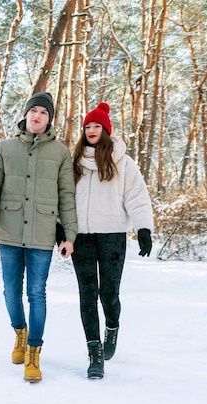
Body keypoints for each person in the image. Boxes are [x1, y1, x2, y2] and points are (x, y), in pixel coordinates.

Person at [0, 92, 77, 383]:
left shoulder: (60, 153)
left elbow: (67, 196)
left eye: (44, 113)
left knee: (37, 294)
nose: (37, 116)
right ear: (25, 115)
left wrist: (69, 235)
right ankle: (19, 333)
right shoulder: (5, 148)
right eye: (33, 110)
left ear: (49, 120)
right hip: (8, 232)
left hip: (42, 235)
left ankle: (34, 352)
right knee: (11, 292)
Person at [66, 102, 153, 379]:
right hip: (81, 237)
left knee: (108, 294)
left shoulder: (122, 163)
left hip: (113, 236)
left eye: (96, 126)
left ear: (106, 130)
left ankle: (112, 326)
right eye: (87, 126)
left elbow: (137, 198)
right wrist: (61, 229)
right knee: (87, 295)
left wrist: (143, 230)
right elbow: (63, 199)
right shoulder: (74, 163)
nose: (91, 130)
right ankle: (95, 353)